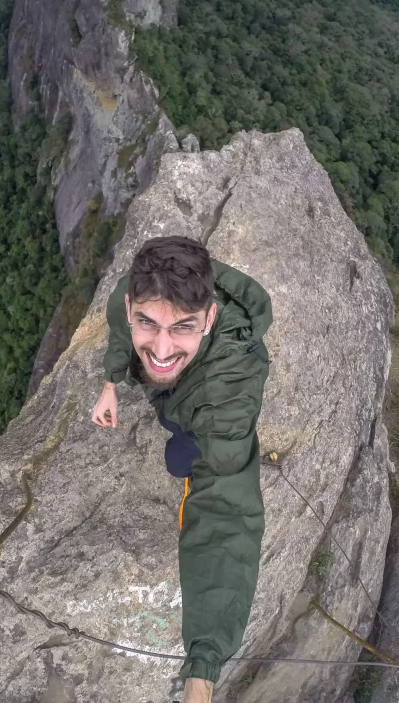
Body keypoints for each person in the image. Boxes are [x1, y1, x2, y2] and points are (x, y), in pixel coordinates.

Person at [91, 235, 273, 703]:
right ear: (132, 305)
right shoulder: (125, 300)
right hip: (189, 382)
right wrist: (112, 381)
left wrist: (202, 671)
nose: (163, 347)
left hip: (207, 396)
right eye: (147, 323)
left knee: (182, 457)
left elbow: (225, 518)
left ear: (210, 319)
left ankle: (180, 418)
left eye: (184, 327)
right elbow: (119, 328)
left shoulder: (225, 403)